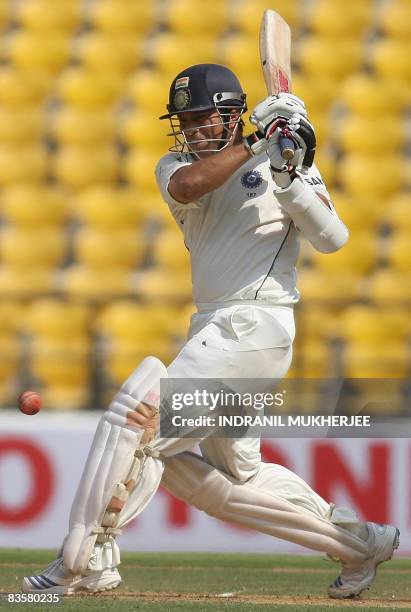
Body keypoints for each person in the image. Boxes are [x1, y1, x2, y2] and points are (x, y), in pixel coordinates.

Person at [23, 64, 399, 599]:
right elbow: (191, 183)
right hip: (222, 332)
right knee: (228, 475)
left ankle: (81, 561)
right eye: (186, 120)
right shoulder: (175, 166)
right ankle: (361, 545)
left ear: (229, 112)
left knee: (137, 420)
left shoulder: (285, 163)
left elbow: (333, 238)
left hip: (253, 325)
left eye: (203, 118)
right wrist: (258, 140)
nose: (193, 129)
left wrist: (292, 173)